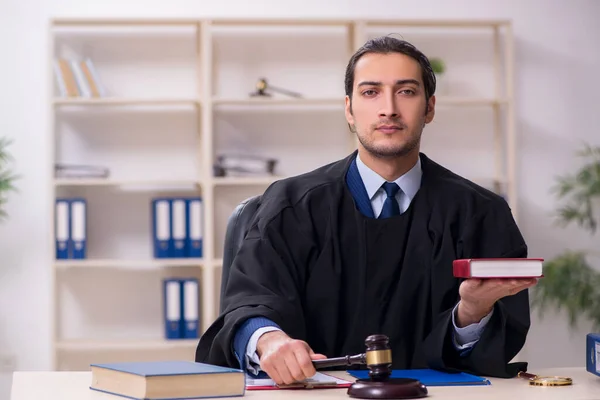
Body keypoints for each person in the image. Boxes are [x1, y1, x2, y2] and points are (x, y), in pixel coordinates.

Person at [195, 36, 537, 385]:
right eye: (370, 92)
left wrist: (472, 312)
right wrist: (270, 341)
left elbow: (493, 353)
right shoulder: (290, 206)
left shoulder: (481, 214)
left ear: (430, 108)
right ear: (349, 109)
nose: (388, 108)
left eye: (406, 91)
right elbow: (249, 303)